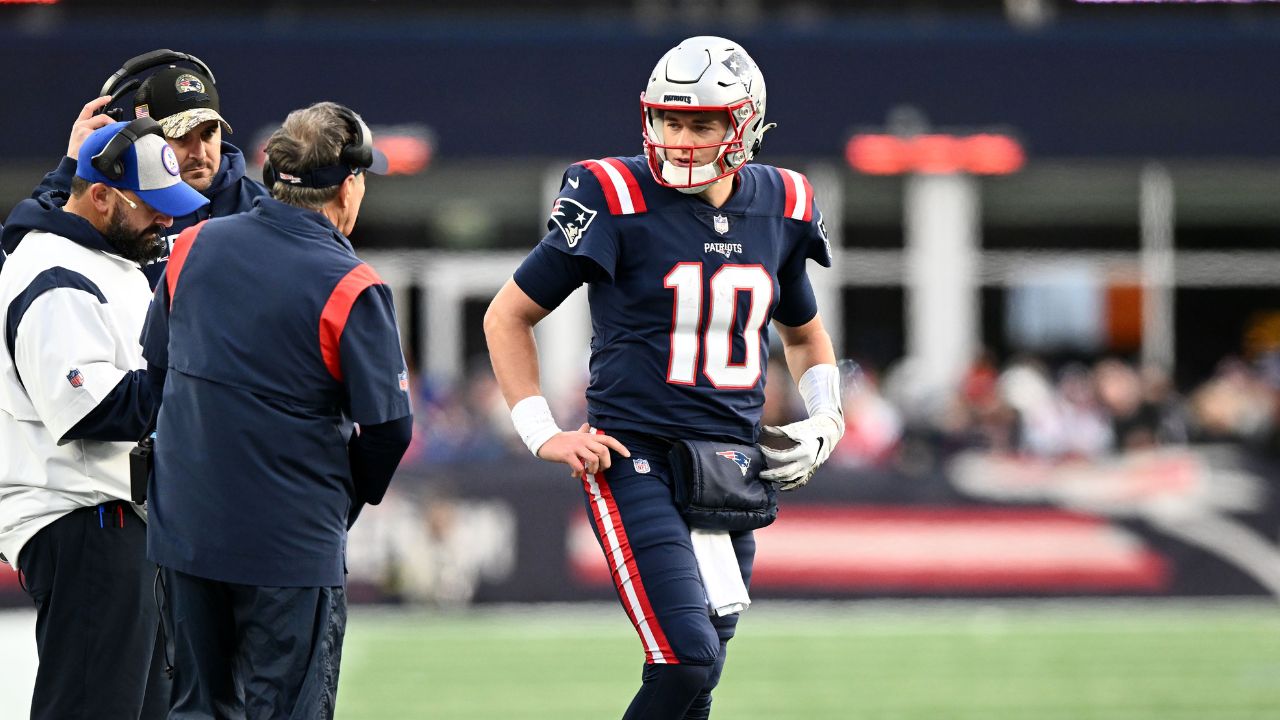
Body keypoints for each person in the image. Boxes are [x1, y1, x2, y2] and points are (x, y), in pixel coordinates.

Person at [484, 36, 844, 719]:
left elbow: (803, 333)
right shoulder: (612, 193)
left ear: (745, 125)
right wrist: (542, 433)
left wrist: (827, 417)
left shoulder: (784, 203)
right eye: (670, 120)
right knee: (687, 659)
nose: (680, 139)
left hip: (732, 466)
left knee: (699, 681)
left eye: (702, 123)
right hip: (635, 455)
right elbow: (507, 316)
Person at [140, 101, 413, 719]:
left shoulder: (192, 246)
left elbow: (156, 371)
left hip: (185, 529)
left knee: (194, 710)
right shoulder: (351, 284)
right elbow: (390, 429)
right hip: (289, 543)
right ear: (348, 186)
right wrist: (341, 500)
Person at [0, 119, 208, 720]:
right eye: (152, 207)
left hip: (119, 519)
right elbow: (97, 407)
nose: (166, 220)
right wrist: (198, 374)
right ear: (100, 195)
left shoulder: (100, 258)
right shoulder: (52, 270)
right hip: (86, 520)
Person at [17, 57, 267, 286]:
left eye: (208, 133)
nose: (199, 153)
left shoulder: (262, 205)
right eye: (181, 137)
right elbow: (27, 252)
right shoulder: (124, 207)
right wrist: (73, 165)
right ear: (146, 138)